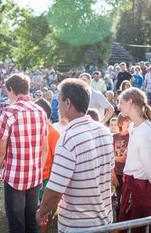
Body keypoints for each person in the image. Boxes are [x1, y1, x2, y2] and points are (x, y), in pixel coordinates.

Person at [36, 78, 115, 232]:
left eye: (59, 100)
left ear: (68, 103)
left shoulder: (68, 139)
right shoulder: (104, 131)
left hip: (78, 225)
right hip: (105, 221)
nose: (57, 106)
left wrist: (41, 213)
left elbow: (54, 191)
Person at [0, 73, 48, 233]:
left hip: (14, 176)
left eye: (7, 91)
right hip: (34, 176)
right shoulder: (40, 111)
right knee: (32, 222)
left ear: (11, 90)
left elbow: (0, 150)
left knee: (16, 224)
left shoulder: (9, 112)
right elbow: (44, 148)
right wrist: (39, 170)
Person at [117, 88, 151, 233]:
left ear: (130, 101)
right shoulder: (135, 126)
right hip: (133, 184)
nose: (118, 106)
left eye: (121, 102)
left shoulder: (144, 132)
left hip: (141, 186)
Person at [33, 98, 61, 233]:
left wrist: (50, 182)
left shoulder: (54, 133)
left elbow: (56, 160)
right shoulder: (33, 129)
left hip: (45, 179)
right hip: (32, 177)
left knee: (44, 211)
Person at [112, 114, 131, 221]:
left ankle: (124, 222)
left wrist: (112, 157)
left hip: (127, 173)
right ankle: (119, 223)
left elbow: (123, 159)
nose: (128, 123)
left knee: (125, 199)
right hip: (117, 173)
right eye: (126, 121)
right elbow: (109, 156)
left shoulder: (132, 137)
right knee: (118, 198)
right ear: (120, 123)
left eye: (130, 121)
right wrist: (113, 174)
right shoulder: (114, 137)